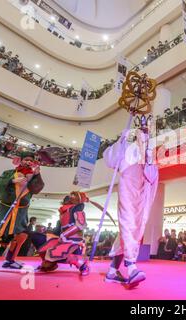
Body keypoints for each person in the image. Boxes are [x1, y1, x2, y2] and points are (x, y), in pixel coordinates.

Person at [103, 117, 159, 287]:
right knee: (128, 225)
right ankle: (131, 266)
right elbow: (110, 160)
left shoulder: (149, 153)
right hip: (129, 188)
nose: (145, 132)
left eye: (148, 130)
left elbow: (152, 176)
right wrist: (121, 140)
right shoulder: (126, 146)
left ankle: (112, 271)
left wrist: (148, 160)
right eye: (142, 129)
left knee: (131, 229)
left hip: (142, 194)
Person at [31, 192, 90, 275]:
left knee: (55, 253)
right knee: (38, 240)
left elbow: (80, 225)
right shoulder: (64, 213)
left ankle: (81, 263)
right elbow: (58, 230)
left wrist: (65, 234)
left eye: (72, 197)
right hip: (62, 239)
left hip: (73, 241)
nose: (69, 198)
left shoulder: (77, 210)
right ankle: (49, 264)